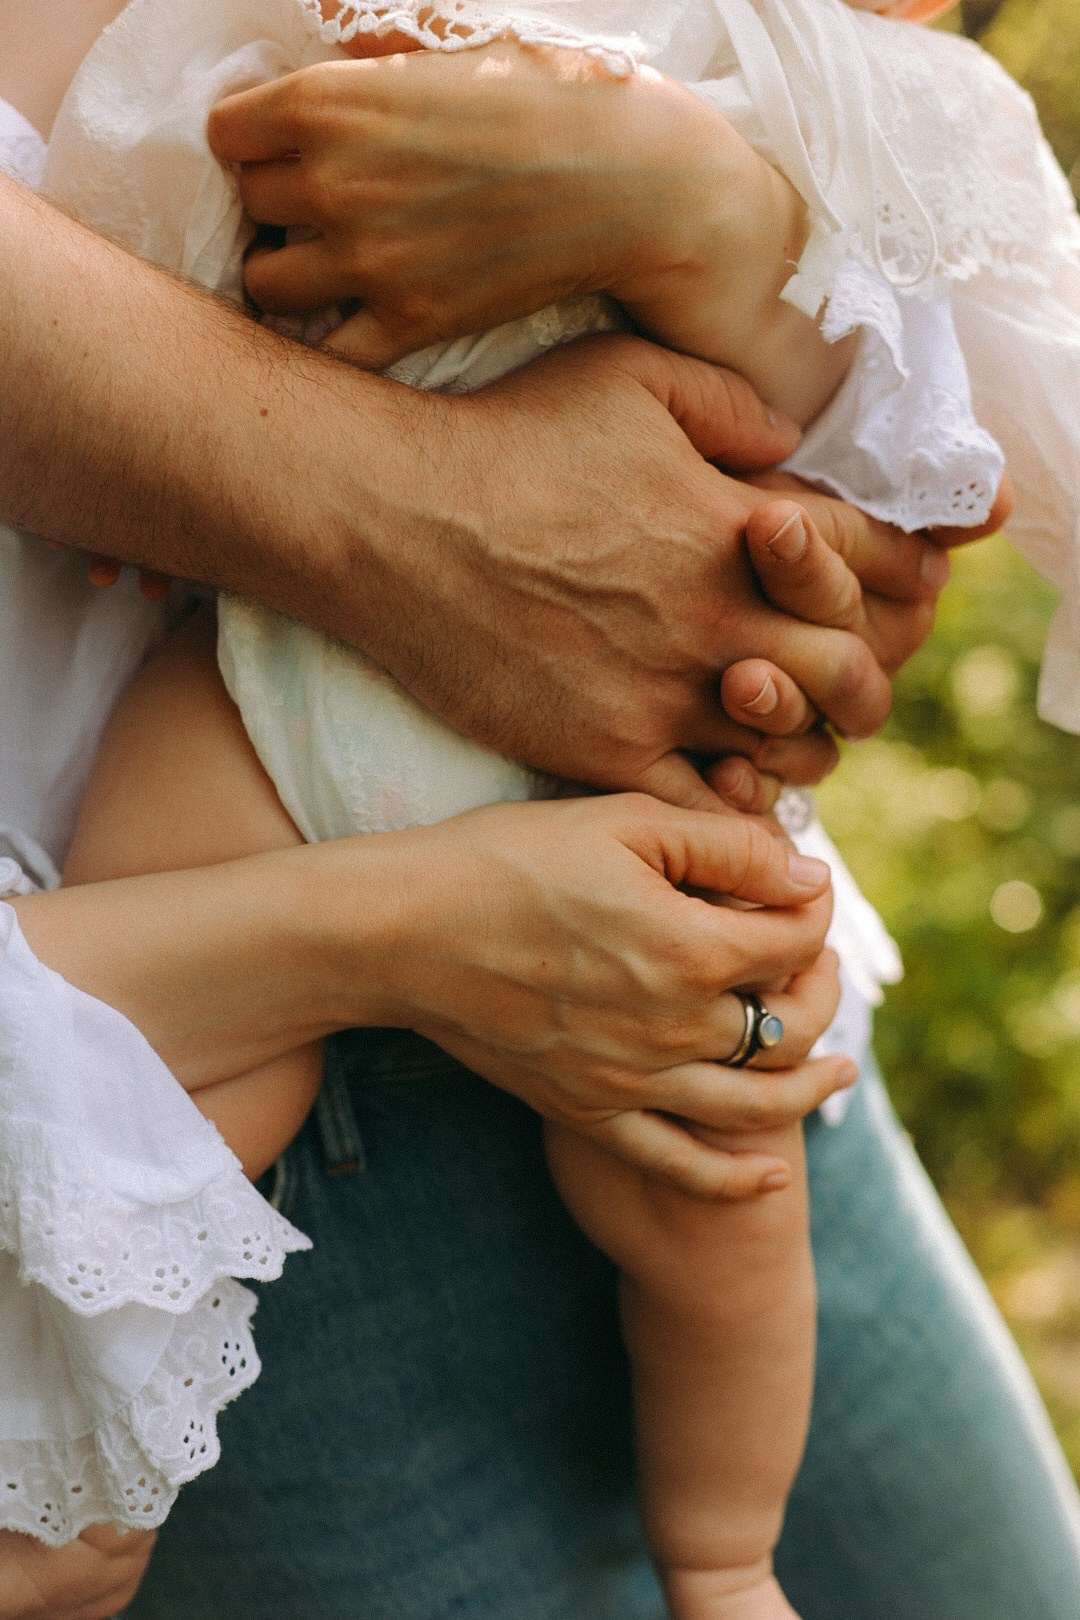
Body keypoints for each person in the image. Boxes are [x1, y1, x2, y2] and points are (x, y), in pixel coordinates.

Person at [0, 21, 1077, 1620]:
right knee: (167, 1081)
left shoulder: (744, 60)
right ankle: (77, 1488)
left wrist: (705, 220)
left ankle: (725, 1556)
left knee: (728, 1195)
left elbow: (915, 458)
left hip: (613, 810)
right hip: (253, 730)